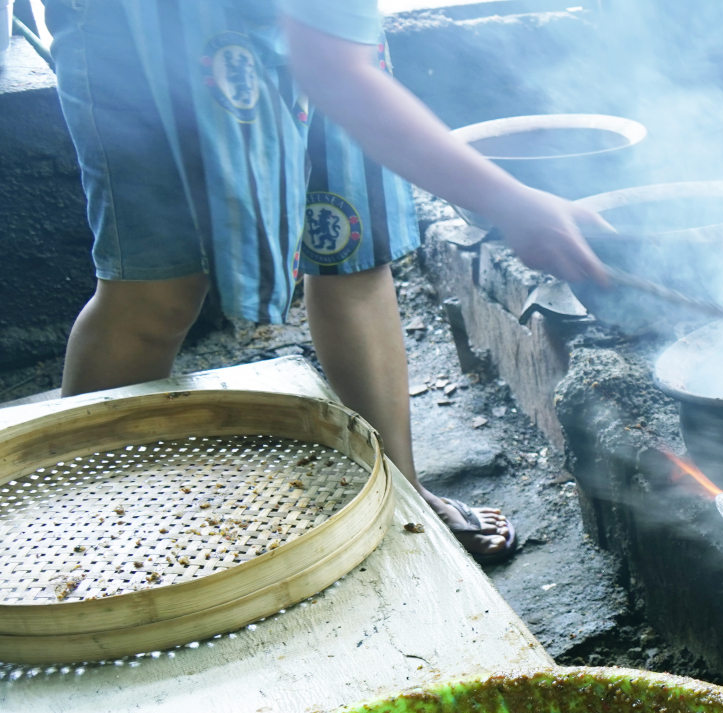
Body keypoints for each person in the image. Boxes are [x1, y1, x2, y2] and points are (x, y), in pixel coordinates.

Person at [44, 0, 610, 562]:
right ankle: (82, 534)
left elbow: (332, 60)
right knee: (156, 292)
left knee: (353, 246)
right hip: (143, 36)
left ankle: (401, 491)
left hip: (314, 41)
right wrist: (510, 203)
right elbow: (333, 69)